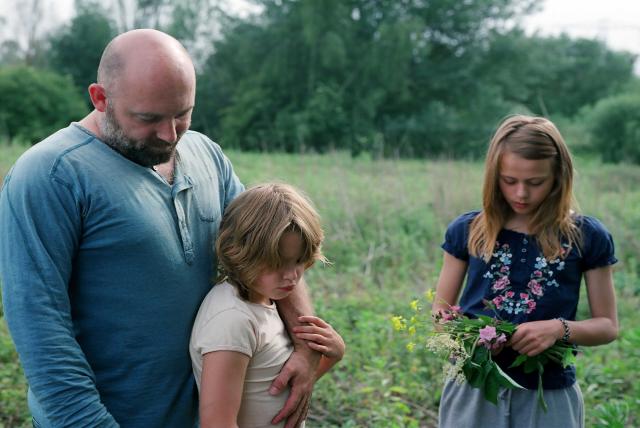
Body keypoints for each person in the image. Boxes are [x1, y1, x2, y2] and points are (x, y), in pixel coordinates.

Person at [0, 29, 319, 427]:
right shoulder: (50, 176)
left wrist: (306, 347)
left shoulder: (206, 154)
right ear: (100, 98)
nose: (170, 134)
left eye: (182, 113)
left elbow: (271, 249)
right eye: (148, 118)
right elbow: (43, 333)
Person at [432, 115, 619, 428]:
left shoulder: (585, 236)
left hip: (548, 393)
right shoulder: (469, 230)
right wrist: (466, 339)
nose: (521, 194)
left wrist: (559, 329)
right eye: (509, 181)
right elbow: (440, 313)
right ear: (494, 176)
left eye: (535, 183)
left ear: (559, 176)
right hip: (474, 388)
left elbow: (607, 326)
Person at [190, 183, 345, 427]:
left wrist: (333, 355)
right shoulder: (232, 319)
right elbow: (218, 422)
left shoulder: (269, 300)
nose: (292, 276)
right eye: (278, 262)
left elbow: (280, 390)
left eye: (299, 261)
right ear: (237, 250)